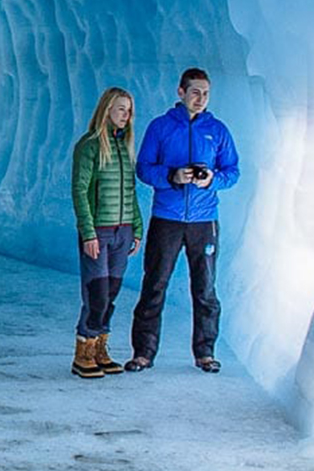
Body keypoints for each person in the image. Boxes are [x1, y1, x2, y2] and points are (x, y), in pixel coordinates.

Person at [126, 68, 240, 374]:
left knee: (205, 289)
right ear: (181, 92)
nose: (200, 99)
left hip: (204, 221)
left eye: (205, 93)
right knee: (154, 285)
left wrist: (211, 179)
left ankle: (205, 352)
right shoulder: (161, 127)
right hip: (167, 218)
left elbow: (233, 172)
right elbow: (144, 168)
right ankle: (143, 353)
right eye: (195, 92)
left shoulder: (217, 131)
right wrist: (172, 176)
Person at [70, 87, 143, 379]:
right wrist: (88, 233)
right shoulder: (89, 145)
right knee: (96, 292)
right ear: (106, 110)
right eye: (120, 109)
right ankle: (83, 351)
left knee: (110, 293)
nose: (126, 116)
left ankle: (101, 347)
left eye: (128, 110)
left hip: (122, 231)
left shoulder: (125, 147)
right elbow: (80, 190)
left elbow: (131, 192)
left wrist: (136, 227)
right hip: (99, 232)